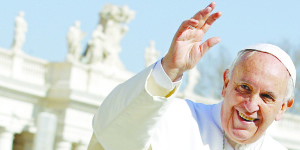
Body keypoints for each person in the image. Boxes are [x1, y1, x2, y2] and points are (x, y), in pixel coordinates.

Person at [88, 2, 296, 150]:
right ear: (225, 83)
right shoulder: (174, 118)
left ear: (283, 107)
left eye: (267, 97)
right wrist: (168, 70)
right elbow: (113, 134)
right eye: (244, 88)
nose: (250, 106)